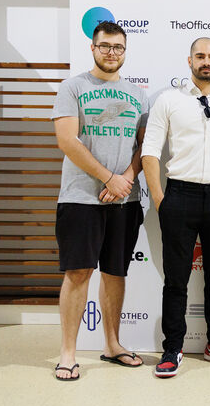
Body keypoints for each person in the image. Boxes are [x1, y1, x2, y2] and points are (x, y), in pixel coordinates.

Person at [142, 37, 210, 378]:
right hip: (179, 196)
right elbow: (150, 152)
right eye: (200, 56)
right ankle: (172, 348)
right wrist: (161, 200)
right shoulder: (168, 101)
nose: (207, 61)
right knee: (176, 279)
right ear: (189, 60)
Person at [52, 21, 148, 380]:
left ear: (125, 51)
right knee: (78, 273)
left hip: (124, 199)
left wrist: (125, 179)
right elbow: (67, 140)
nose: (112, 52)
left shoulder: (138, 94)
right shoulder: (72, 87)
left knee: (115, 272)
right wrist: (108, 178)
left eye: (118, 47)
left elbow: (143, 147)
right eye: (105, 46)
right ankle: (68, 353)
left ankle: (112, 345)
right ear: (93, 48)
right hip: (80, 199)